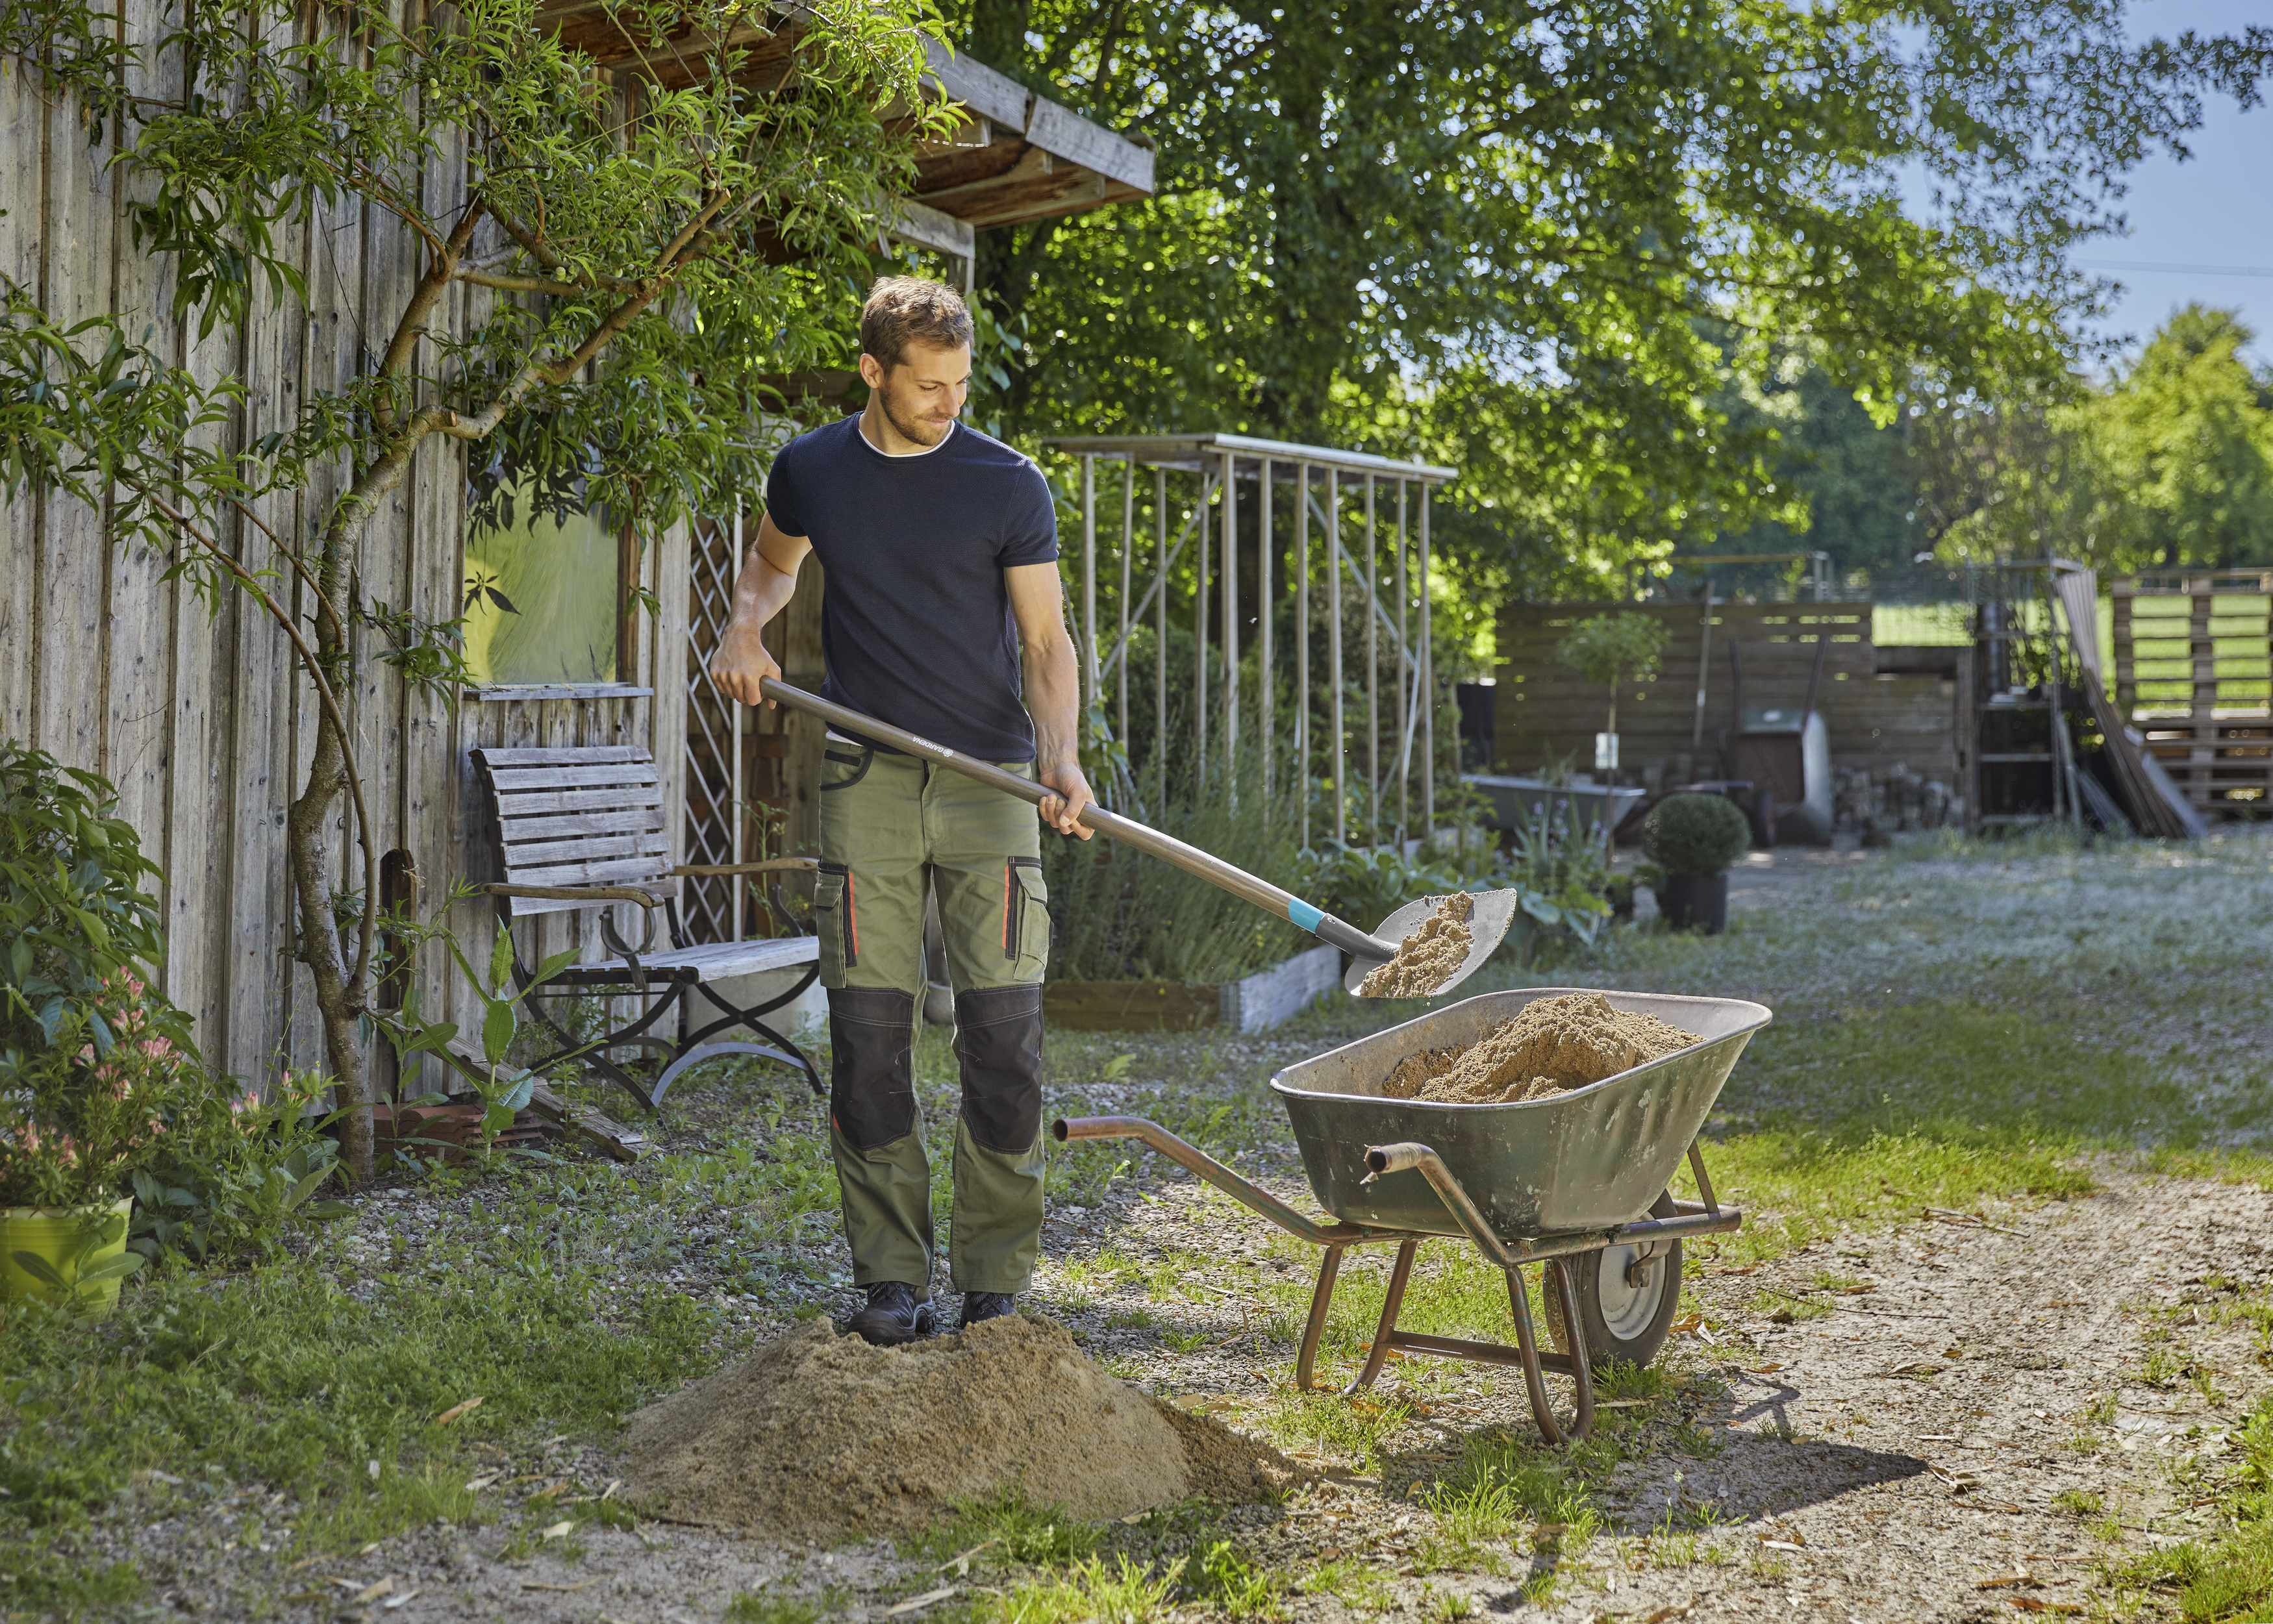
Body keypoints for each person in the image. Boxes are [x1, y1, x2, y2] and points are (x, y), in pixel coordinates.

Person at [707, 276, 1095, 1345]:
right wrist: (746, 628)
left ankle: (994, 1279)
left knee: (1003, 1038)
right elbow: (770, 569)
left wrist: (1061, 759)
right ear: (873, 372)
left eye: (961, 383)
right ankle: (889, 1276)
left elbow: (1046, 643)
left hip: (992, 784)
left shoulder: (1005, 483)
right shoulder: (813, 471)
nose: (948, 403)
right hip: (866, 780)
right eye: (927, 386)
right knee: (871, 1042)